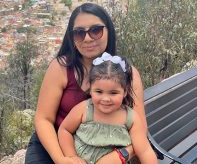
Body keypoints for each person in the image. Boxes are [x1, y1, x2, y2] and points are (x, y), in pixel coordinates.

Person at [25, 2, 147, 164]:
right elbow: (43, 119)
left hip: (104, 150)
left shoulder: (127, 74)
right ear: (72, 37)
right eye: (79, 33)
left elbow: (139, 128)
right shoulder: (61, 68)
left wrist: (121, 154)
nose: (87, 38)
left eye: (96, 30)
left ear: (108, 30)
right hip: (54, 145)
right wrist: (62, 159)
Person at [58, 53, 158, 164]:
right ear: (90, 89)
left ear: (125, 91)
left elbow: (144, 151)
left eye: (113, 93)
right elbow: (64, 130)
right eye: (99, 92)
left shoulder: (131, 118)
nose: (105, 99)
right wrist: (72, 156)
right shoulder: (84, 109)